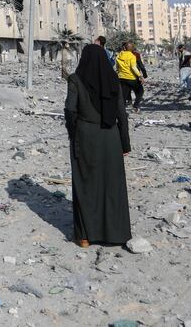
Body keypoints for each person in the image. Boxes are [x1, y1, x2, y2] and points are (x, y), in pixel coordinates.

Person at [64, 44, 132, 248]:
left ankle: (85, 236)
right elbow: (121, 114)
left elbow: (70, 110)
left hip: (86, 137)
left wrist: (73, 133)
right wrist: (125, 143)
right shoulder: (113, 80)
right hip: (111, 138)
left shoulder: (76, 79)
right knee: (112, 186)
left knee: (86, 185)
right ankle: (116, 234)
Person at [115, 42, 145, 112]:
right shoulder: (132, 56)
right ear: (132, 49)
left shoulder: (119, 55)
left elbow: (117, 67)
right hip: (131, 78)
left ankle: (121, 110)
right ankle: (135, 106)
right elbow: (133, 67)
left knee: (124, 95)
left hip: (122, 78)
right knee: (140, 91)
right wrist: (140, 76)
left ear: (124, 48)